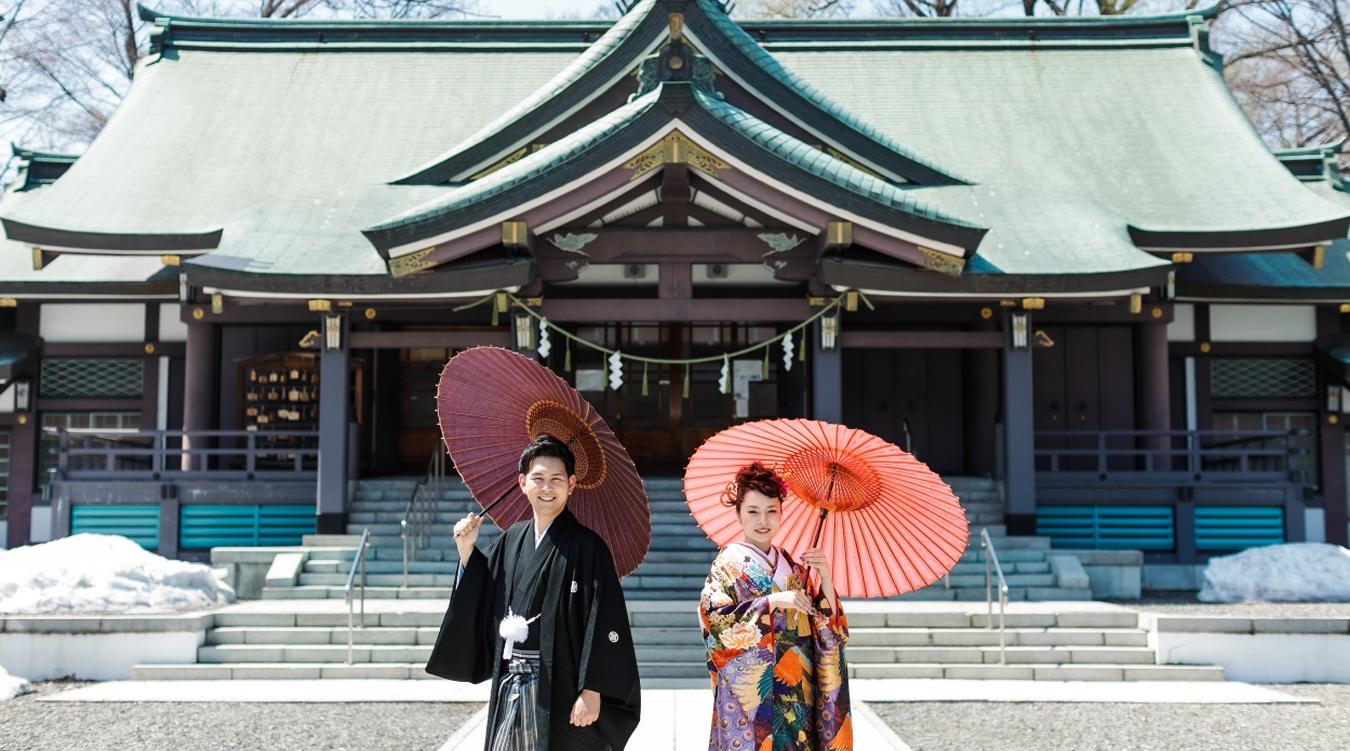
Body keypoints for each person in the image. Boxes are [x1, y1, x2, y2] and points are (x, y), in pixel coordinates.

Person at [426, 435, 641, 751]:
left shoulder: (588, 547)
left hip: (563, 687)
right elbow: (482, 593)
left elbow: (605, 618)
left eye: (556, 479)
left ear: (571, 484)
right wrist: (466, 550)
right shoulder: (512, 539)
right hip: (510, 681)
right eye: (538, 479)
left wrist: (592, 690)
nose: (546, 488)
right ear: (522, 483)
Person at [699, 462, 851, 751]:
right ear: (738, 513)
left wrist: (825, 576)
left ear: (782, 513)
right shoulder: (727, 564)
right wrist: (771, 601)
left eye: (771, 511)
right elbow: (714, 620)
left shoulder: (791, 565)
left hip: (796, 692)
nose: (763, 520)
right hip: (752, 697)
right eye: (753, 511)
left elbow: (824, 625)